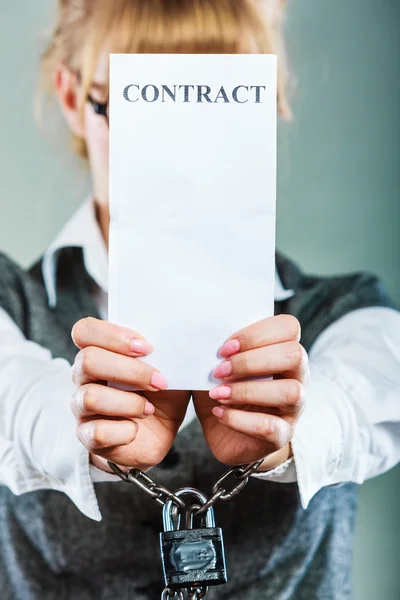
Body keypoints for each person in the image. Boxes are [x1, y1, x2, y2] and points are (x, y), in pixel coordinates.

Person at [0, 1, 399, 599]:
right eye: (141, 111)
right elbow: (14, 394)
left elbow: (363, 398)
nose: (179, 157)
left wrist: (292, 426)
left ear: (272, 107)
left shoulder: (352, 315)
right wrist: (80, 421)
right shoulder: (13, 306)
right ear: (73, 97)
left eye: (219, 115)